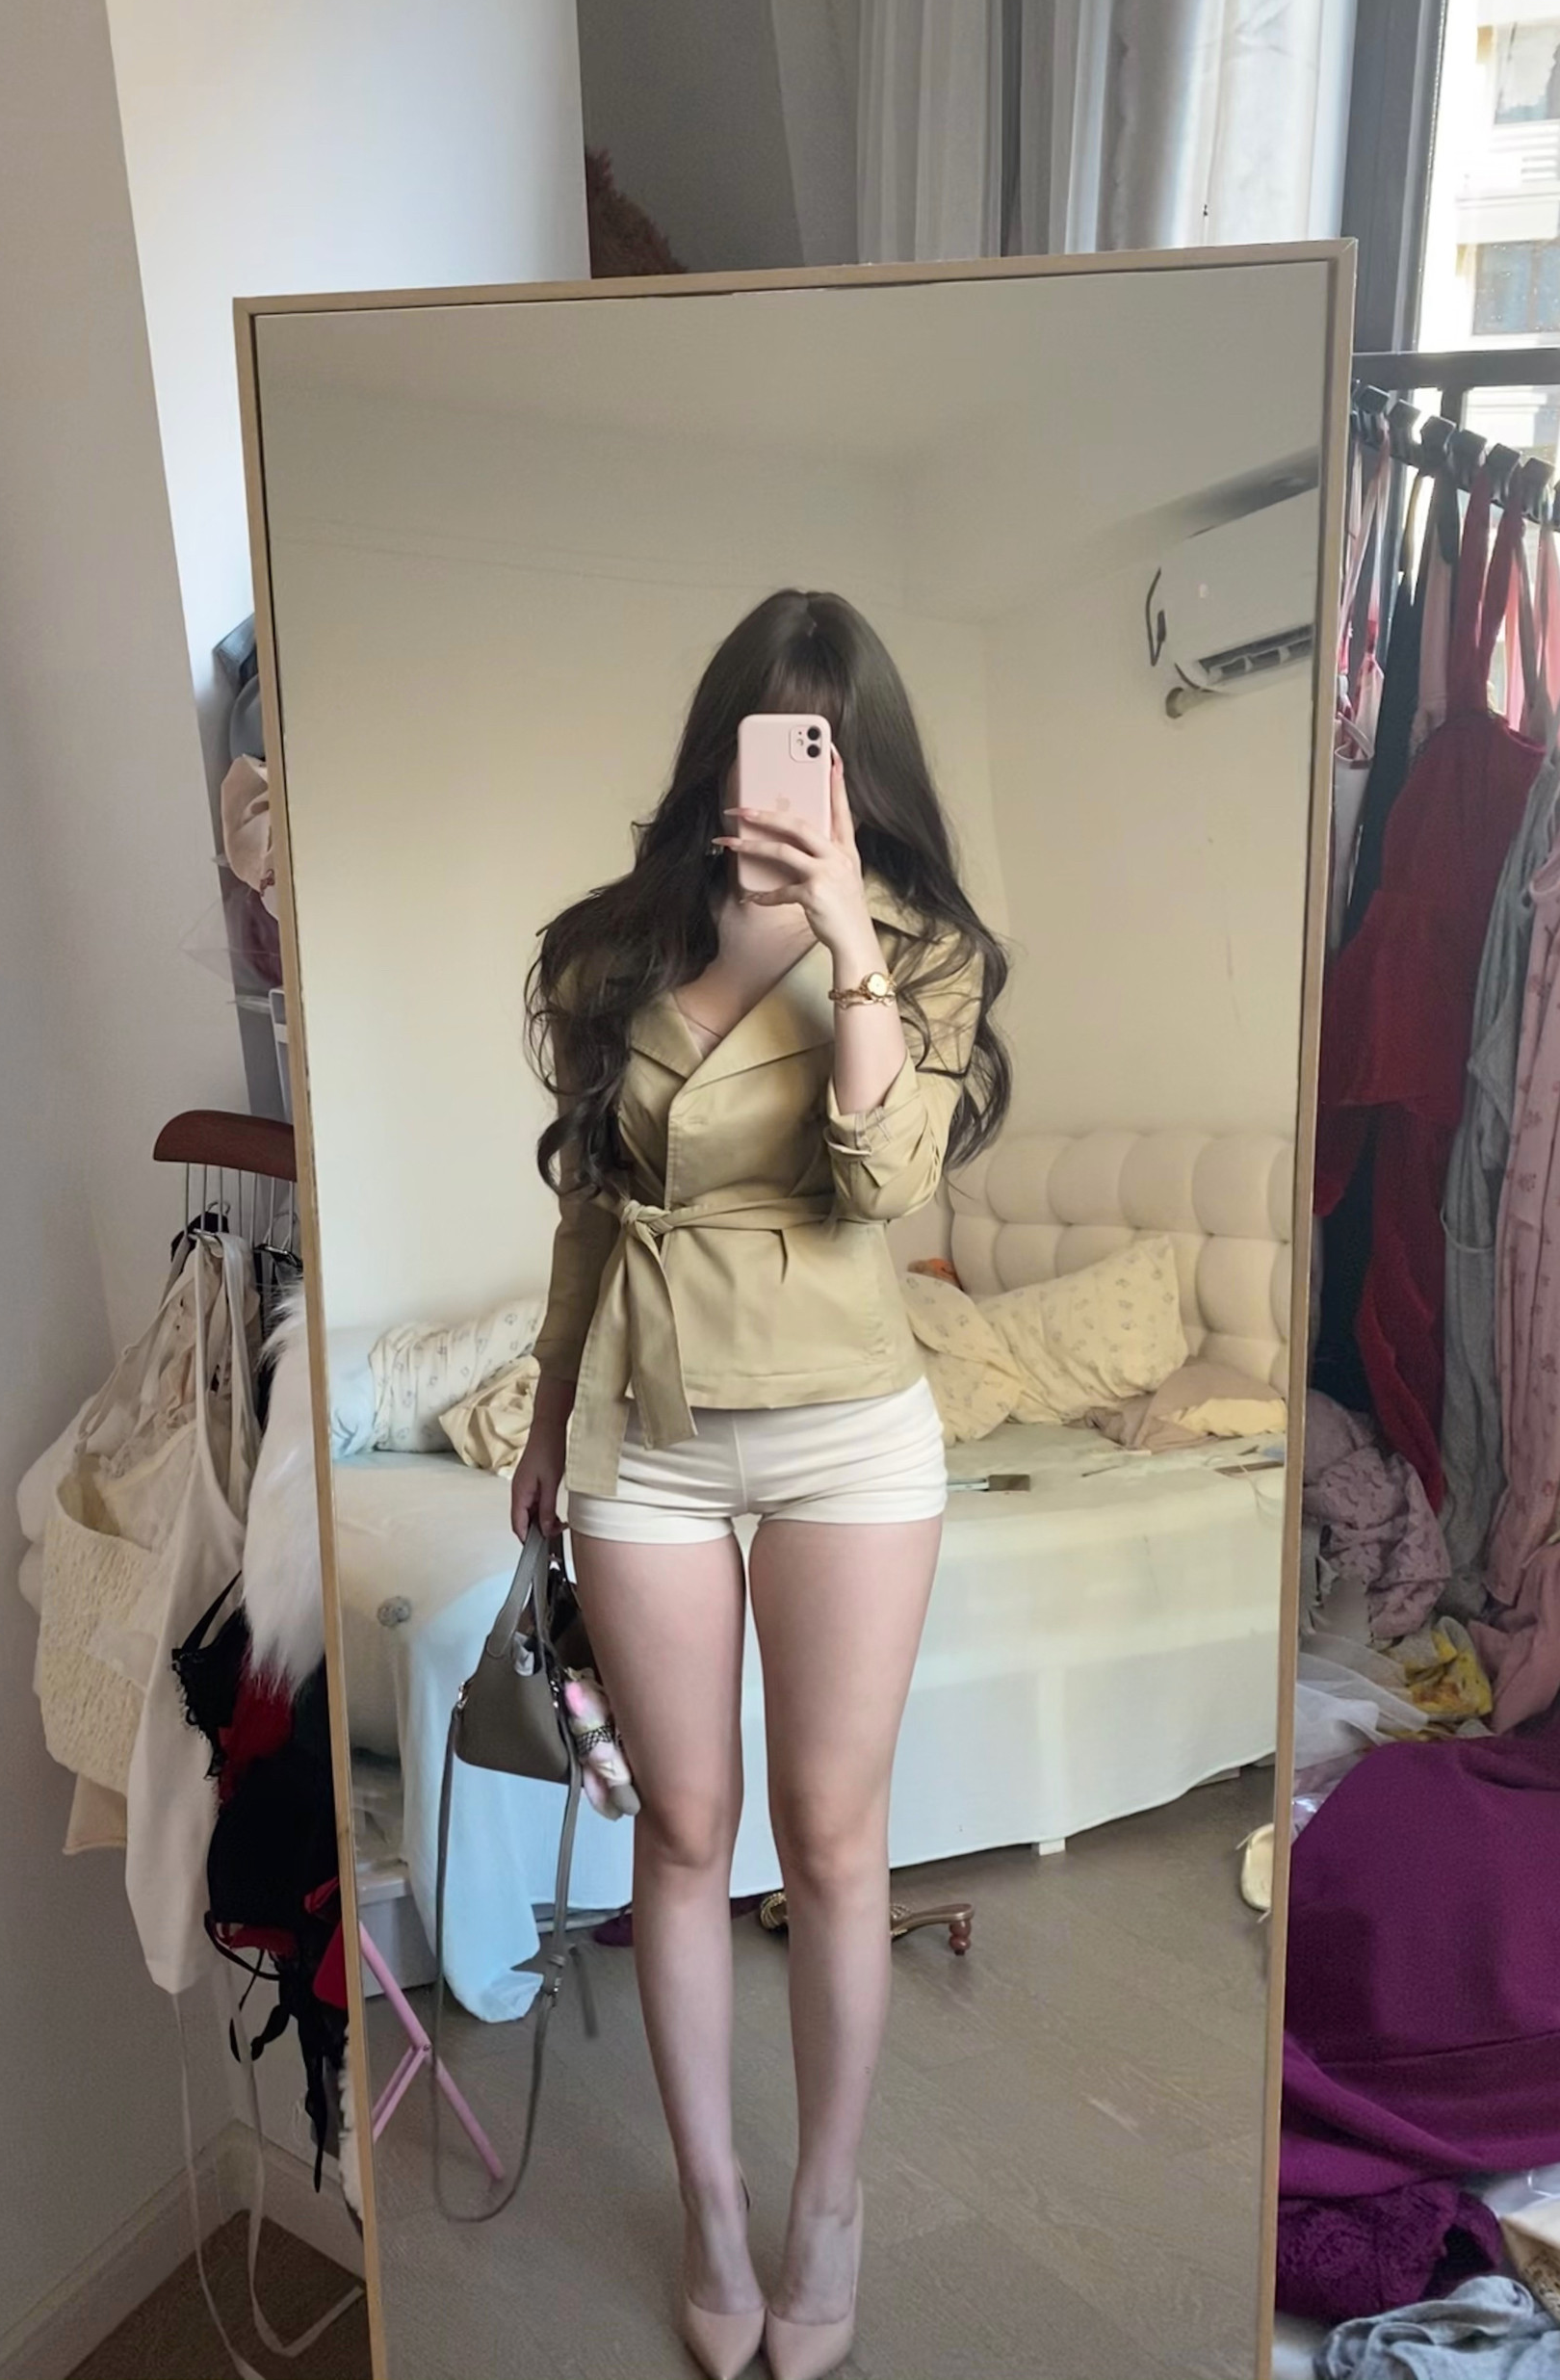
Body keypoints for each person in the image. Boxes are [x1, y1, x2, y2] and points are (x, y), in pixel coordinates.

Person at [510, 588, 1009, 2380]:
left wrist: (847, 934)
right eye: (771, 741)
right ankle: (716, 2209)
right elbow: (590, 1204)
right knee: (683, 1826)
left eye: (829, 752)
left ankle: (829, 2204)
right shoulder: (612, 950)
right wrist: (546, 1406)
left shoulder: (923, 951)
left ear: (862, 773)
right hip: (646, 1427)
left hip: (847, 1426)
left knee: (834, 1834)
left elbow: (882, 1183)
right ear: (723, 750)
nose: (796, 783)